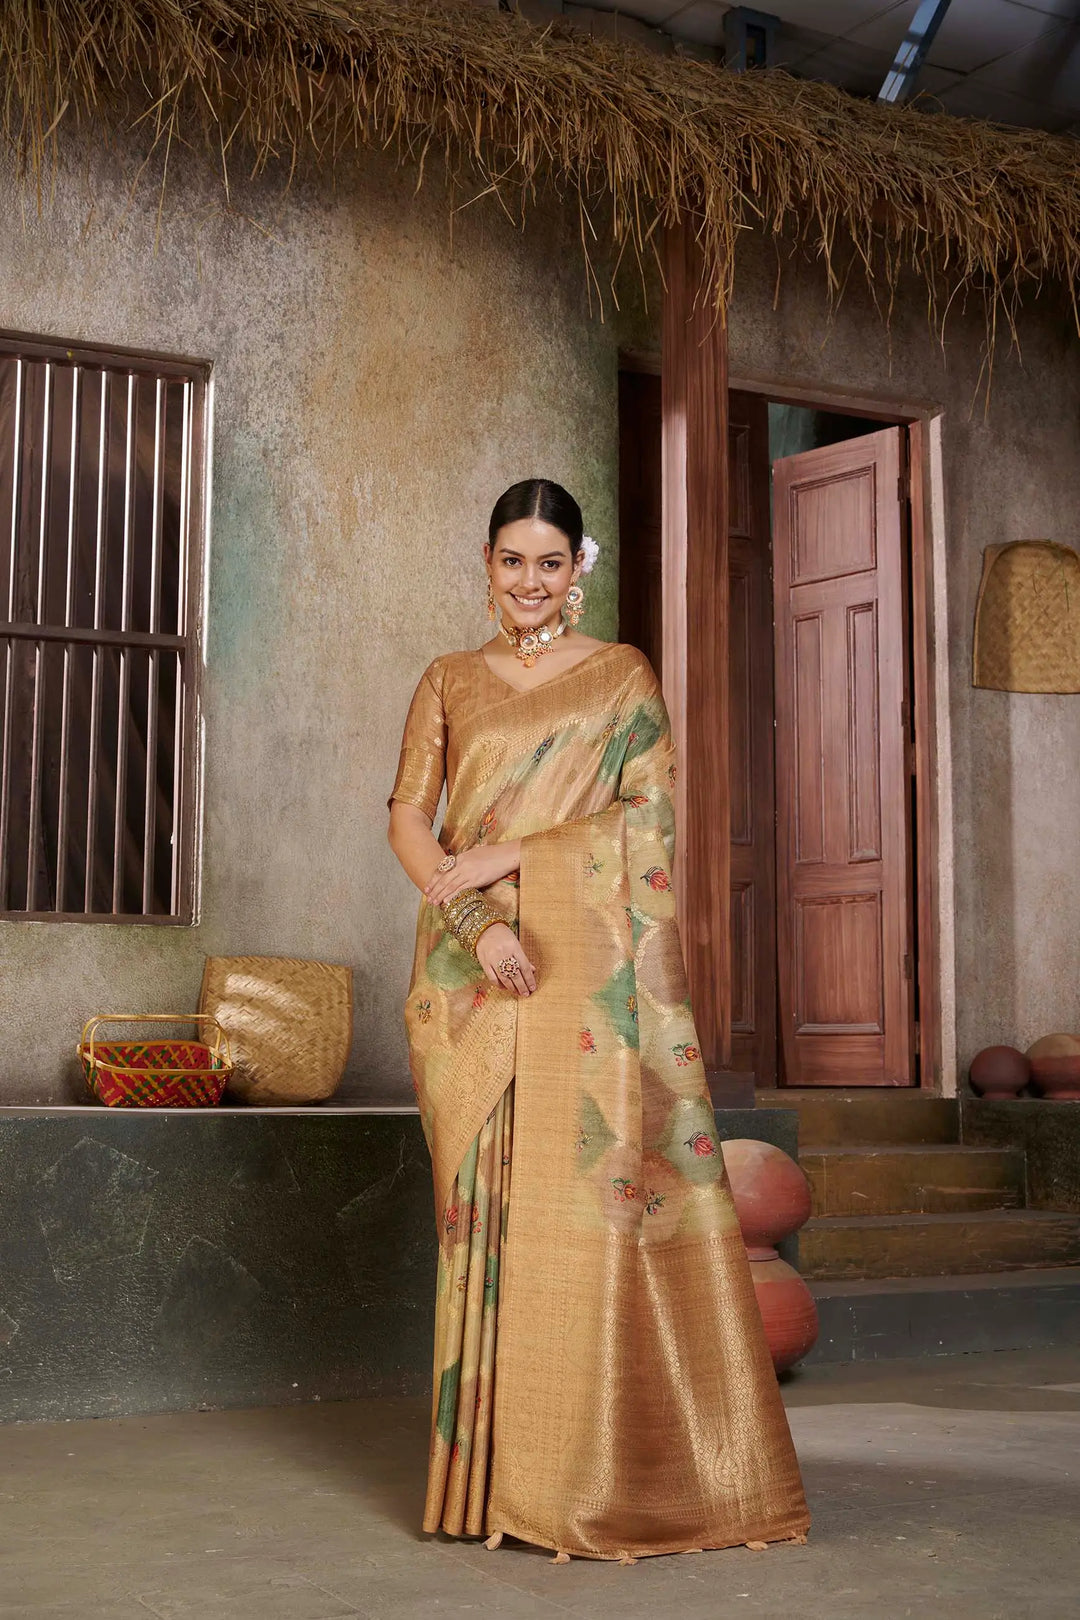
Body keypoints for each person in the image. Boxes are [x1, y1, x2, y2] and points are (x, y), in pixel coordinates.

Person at [387, 478, 809, 1561]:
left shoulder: (620, 678)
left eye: (548, 562)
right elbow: (407, 820)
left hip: (583, 960)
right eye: (509, 560)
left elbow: (649, 817)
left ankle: (571, 1471)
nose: (528, 583)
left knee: (580, 1202)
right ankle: (480, 1480)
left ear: (581, 567)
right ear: (486, 563)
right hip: (468, 966)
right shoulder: (446, 680)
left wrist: (514, 852)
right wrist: (478, 918)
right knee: (480, 1209)